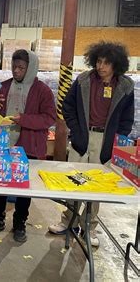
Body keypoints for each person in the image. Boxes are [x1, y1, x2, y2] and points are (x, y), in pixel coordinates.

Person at [48, 41, 134, 247]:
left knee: (96, 186)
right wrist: (76, 130)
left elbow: (127, 119)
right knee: (73, 181)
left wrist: (115, 140)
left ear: (116, 65)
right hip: (82, 136)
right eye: (98, 61)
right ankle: (66, 222)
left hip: (105, 141)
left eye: (106, 63)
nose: (101, 67)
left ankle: (90, 228)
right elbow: (67, 107)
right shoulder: (83, 80)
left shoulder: (125, 87)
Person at [0, 49, 56, 242]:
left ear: (30, 69)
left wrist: (24, 120)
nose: (16, 71)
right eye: (14, 67)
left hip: (28, 146)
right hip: (3, 144)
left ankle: (19, 223)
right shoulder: (6, 87)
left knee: (24, 188)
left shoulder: (43, 91)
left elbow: (48, 118)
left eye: (21, 68)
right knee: (0, 183)